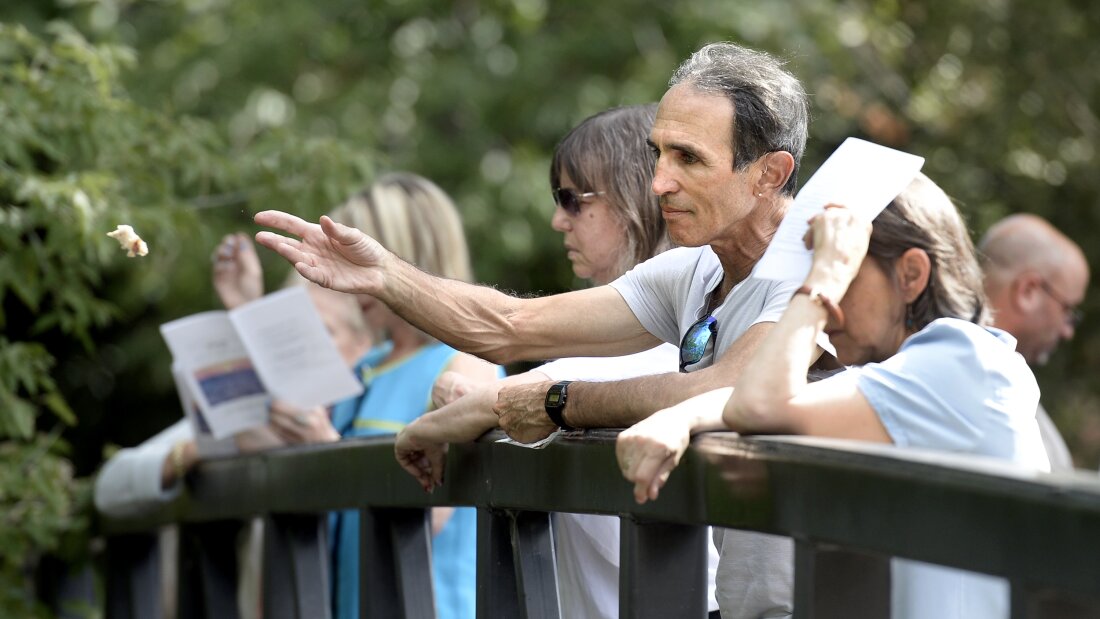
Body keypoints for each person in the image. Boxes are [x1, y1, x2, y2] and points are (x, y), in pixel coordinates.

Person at [254, 42, 813, 616]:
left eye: (688, 159)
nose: (658, 183)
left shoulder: (824, 262)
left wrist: (548, 402)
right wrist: (384, 275)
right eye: (658, 155)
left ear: (770, 173)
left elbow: (726, 389)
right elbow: (508, 325)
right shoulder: (694, 269)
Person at [616, 173, 1047, 619]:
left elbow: (758, 404)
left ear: (911, 274)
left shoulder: (962, 361)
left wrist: (823, 278)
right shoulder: (919, 374)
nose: (826, 307)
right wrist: (681, 417)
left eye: (844, 272)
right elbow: (763, 399)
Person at [393, 104, 724, 618]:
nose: (557, 219)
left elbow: (537, 384)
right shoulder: (633, 343)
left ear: (635, 193)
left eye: (572, 199)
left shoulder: (675, 343)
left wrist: (442, 422)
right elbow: (516, 353)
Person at [242, 174, 500, 619]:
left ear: (406, 258)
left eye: (351, 255)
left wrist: (327, 452)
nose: (339, 274)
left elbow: (431, 512)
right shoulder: (367, 365)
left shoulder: (466, 363)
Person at [93, 233, 373, 619]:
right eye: (290, 336)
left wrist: (324, 449)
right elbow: (110, 487)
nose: (303, 352)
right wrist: (194, 454)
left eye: (323, 333)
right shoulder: (257, 417)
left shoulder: (372, 409)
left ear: (364, 345)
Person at [979, 213, 1089, 471]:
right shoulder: (1037, 436)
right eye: (1068, 310)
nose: (1067, 331)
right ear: (1027, 291)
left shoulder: (908, 352)